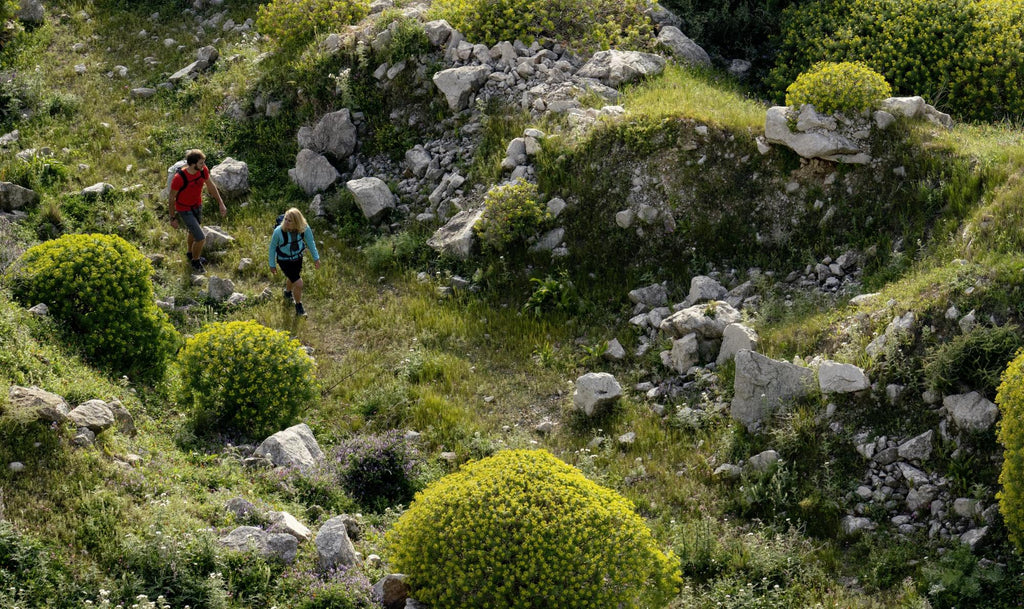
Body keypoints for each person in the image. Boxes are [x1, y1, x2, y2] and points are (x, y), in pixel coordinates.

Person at [169, 149, 226, 273]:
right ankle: (195, 261)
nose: (204, 165)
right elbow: (171, 198)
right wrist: (172, 217)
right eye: (201, 163)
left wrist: (221, 203)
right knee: (200, 238)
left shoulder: (202, 170)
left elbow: (210, 186)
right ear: (192, 164)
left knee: (192, 231)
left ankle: (190, 253)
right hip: (184, 209)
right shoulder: (179, 178)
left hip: (197, 206)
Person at [269, 207, 321, 317]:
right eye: (286, 219)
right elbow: (272, 248)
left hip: (298, 258)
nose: (286, 222)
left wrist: (316, 258)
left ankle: (287, 293)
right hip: (284, 260)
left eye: (289, 221)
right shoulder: (278, 231)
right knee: (298, 283)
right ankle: (299, 307)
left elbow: (311, 242)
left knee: (293, 278)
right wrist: (272, 264)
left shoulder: (304, 228)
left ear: (297, 222)